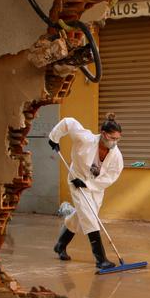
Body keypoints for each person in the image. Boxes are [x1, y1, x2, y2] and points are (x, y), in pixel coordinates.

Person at [48, 112, 124, 271]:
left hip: (95, 188)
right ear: (103, 134)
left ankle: (60, 245)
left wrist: (89, 184)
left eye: (118, 139)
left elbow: (112, 176)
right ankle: (101, 259)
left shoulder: (116, 155)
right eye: (112, 138)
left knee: (82, 216)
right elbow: (68, 122)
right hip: (76, 181)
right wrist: (54, 138)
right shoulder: (86, 138)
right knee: (89, 217)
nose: (115, 143)